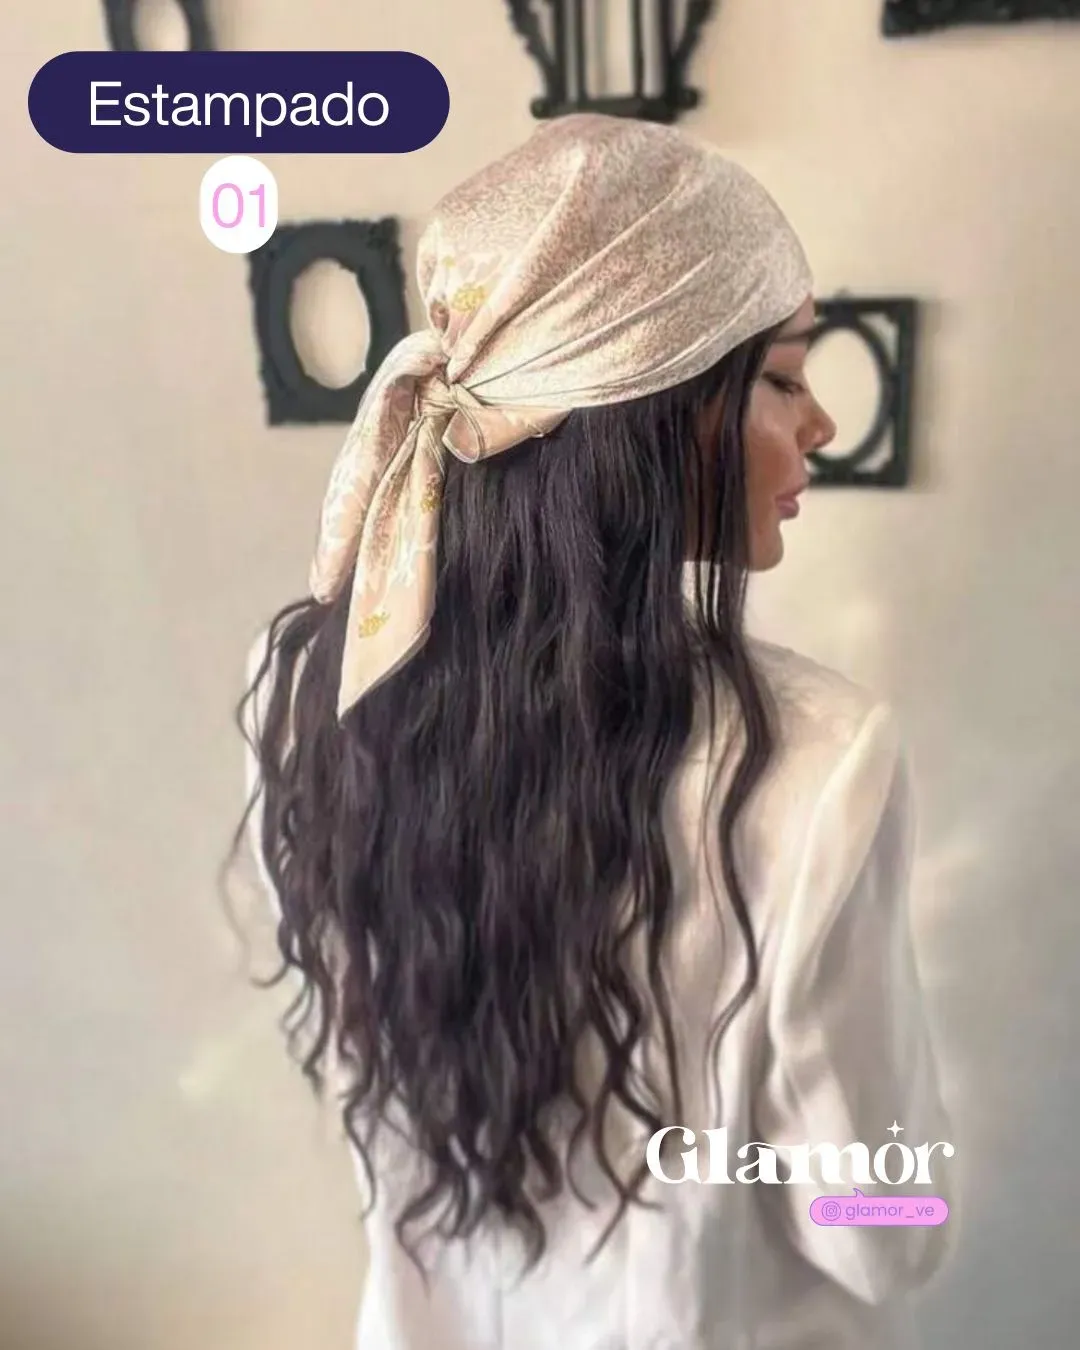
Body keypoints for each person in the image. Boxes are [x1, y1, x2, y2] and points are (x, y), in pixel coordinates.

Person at [233, 113, 957, 1350]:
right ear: (655, 409)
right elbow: (880, 1235)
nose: (820, 427)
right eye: (783, 378)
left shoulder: (306, 688)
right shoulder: (817, 766)